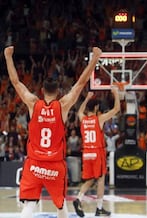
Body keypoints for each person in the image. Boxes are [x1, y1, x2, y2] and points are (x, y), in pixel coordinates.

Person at [4, 46, 102, 218]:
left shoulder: (33, 103)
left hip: (34, 163)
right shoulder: (62, 105)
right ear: (58, 92)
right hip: (55, 165)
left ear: (42, 90)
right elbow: (80, 83)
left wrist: (8, 57)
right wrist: (94, 58)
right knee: (61, 204)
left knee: (29, 205)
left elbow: (16, 82)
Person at [73, 88, 120, 217]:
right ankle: (99, 208)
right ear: (97, 108)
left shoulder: (83, 119)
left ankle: (78, 199)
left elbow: (79, 111)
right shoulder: (99, 119)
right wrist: (116, 94)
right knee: (100, 179)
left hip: (86, 153)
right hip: (97, 152)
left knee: (90, 180)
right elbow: (116, 109)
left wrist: (87, 98)